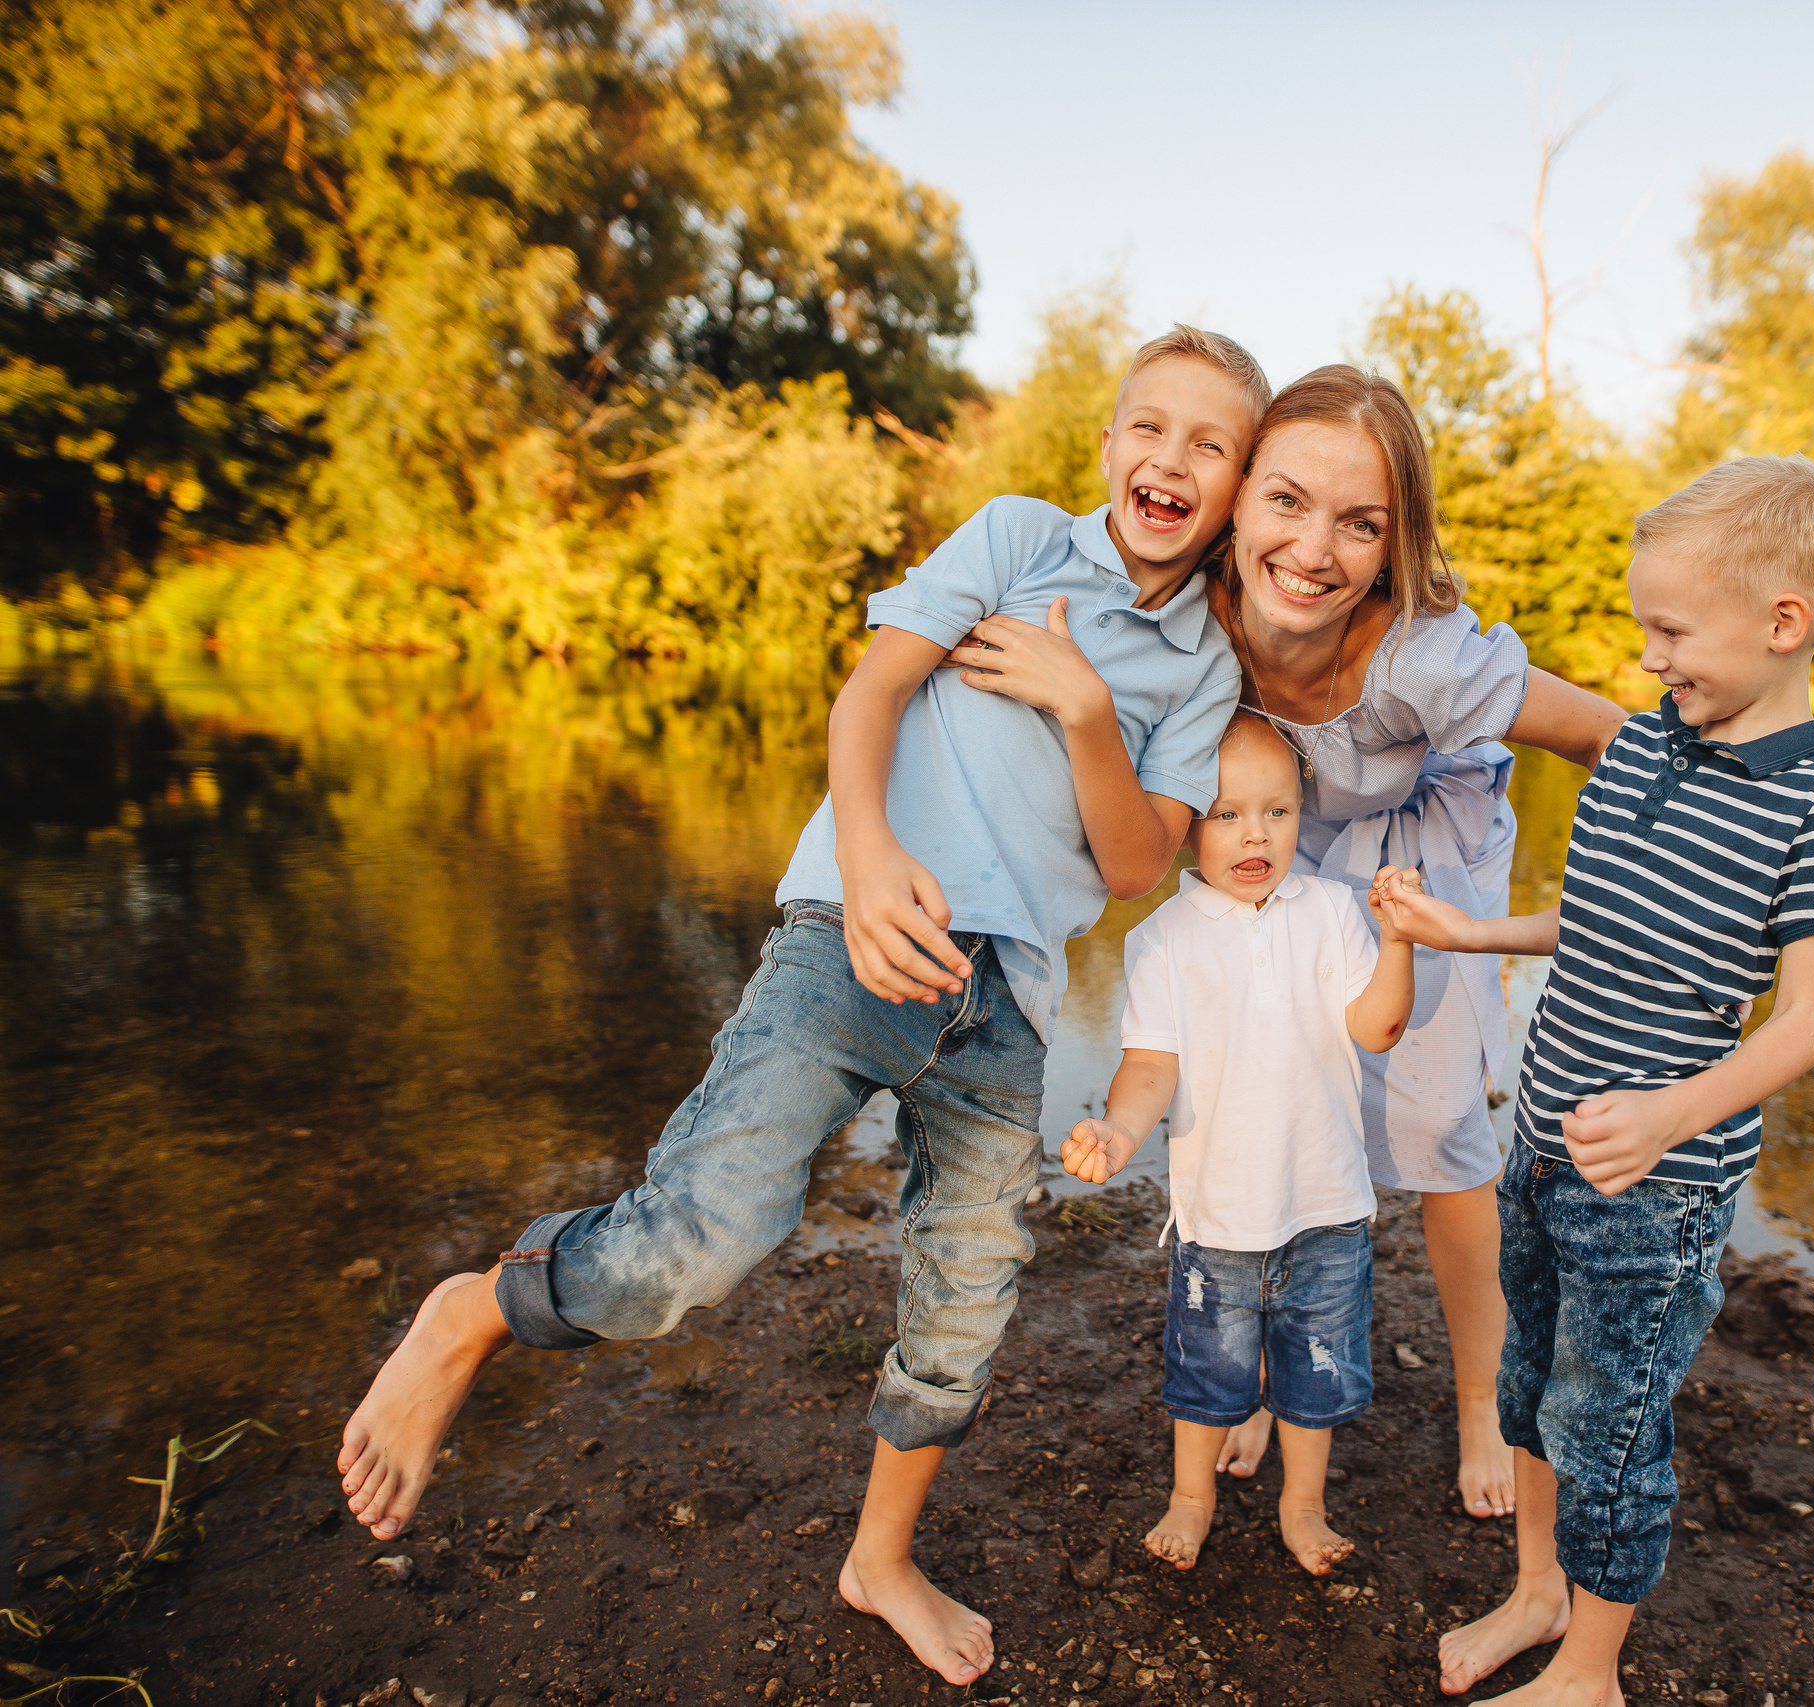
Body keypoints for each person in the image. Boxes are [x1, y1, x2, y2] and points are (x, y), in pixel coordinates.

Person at [333, 326, 1272, 1689]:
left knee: (969, 1294)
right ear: (1111, 441)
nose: (1171, 458)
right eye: (1151, 425)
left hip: (1002, 998)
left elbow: (1135, 865)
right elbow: (875, 687)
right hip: (856, 930)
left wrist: (1082, 708)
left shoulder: (1197, 667)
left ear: (1237, 486)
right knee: (704, 1235)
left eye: (1212, 444)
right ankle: (479, 1308)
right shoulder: (1016, 538)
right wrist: (871, 850)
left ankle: (878, 1555)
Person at [1383, 455, 1814, 1704]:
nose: (1650, 658)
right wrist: (1469, 934)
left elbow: (1805, 1023)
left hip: (1657, 1181)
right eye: (1644, 628)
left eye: (1671, 630)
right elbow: (1597, 920)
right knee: (1528, 1386)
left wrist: (1670, 1114)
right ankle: (1538, 1592)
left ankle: (1589, 1674)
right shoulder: (1645, 750)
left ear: (1784, 623)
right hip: (1544, 1143)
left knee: (1609, 1425)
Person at [1200, 366, 1628, 1523]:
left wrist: (1680, 887)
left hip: (1421, 834)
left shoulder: (1423, 657)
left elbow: (1617, 744)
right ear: (1235, 497)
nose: (1313, 548)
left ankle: (1482, 1396)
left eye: (1360, 523)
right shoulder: (1191, 613)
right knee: (1271, 1100)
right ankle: (1256, 1375)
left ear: (1394, 547)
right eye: (1286, 501)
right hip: (1277, 830)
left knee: (1439, 1128)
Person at [1057, 713, 1420, 1577]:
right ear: (1183, 821)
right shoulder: (1162, 940)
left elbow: (1378, 1029)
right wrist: (1116, 1128)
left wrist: (1400, 938)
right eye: (1225, 814)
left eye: (1278, 811)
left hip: (1326, 1204)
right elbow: (1150, 1066)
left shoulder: (1331, 912)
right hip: (1216, 1214)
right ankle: (1192, 1494)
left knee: (1313, 1374)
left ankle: (1303, 1502)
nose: (1255, 832)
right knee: (1208, 1371)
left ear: (1302, 812)